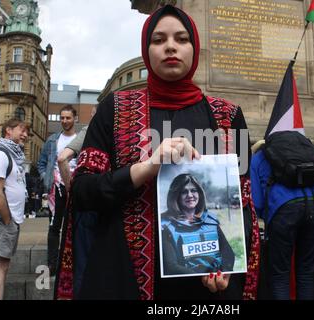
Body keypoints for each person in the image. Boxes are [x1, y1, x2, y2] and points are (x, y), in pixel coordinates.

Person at [55, 4, 260, 300]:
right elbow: (84, 192)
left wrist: (227, 265)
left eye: (181, 39)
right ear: (146, 49)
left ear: (195, 48)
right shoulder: (115, 109)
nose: (171, 47)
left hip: (205, 287)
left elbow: (241, 203)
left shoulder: (227, 118)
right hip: (121, 276)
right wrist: (145, 168)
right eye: (159, 40)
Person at [251, 140, 314, 300]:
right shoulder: (302, 153)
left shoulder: (258, 158)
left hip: (283, 208)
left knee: (280, 275)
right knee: (306, 271)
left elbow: (256, 201)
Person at [0, 118, 29, 300]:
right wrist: (8, 220)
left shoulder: (12, 155)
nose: (25, 134)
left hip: (7, 219)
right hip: (1, 219)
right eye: (22, 130)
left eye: (26, 131)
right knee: (0, 266)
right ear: (8, 131)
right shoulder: (0, 155)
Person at [56, 105, 98, 298]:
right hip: (111, 206)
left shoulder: (89, 130)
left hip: (85, 202)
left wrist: (71, 189)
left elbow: (62, 158)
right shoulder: (123, 133)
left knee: (83, 262)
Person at [161, 174, 234, 276]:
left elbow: (228, 255)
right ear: (175, 196)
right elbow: (171, 267)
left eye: (193, 190)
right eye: (184, 192)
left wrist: (222, 274)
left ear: (199, 193)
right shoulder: (165, 226)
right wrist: (203, 278)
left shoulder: (211, 221)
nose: (190, 195)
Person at [37, 105, 77, 275]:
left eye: (68, 118)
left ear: (75, 118)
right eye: (62, 118)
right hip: (56, 191)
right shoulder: (52, 140)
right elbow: (41, 163)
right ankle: (52, 264)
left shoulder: (81, 139)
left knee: (75, 226)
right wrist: (47, 177)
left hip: (75, 189)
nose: (64, 121)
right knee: (54, 227)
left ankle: (73, 262)